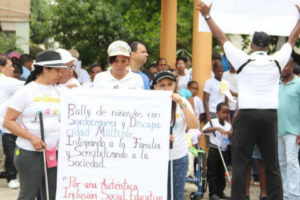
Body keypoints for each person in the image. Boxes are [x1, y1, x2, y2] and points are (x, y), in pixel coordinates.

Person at [197, 1, 300, 199]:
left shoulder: (242, 59)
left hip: (246, 116)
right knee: (272, 164)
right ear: (268, 47)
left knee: (241, 163)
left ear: (252, 46)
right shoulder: (277, 60)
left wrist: (208, 16)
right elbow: (292, 40)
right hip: (269, 116)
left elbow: (221, 38)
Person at [3, 50, 67, 200]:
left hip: (54, 153)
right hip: (29, 153)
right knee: (28, 195)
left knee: (51, 196)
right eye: (57, 70)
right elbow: (8, 121)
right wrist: (32, 138)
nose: (61, 73)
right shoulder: (25, 92)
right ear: (45, 68)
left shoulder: (59, 92)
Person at [151, 70, 198, 200]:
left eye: (169, 84)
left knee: (176, 195)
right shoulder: (149, 103)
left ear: (175, 86)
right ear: (155, 87)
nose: (166, 88)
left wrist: (182, 104)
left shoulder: (182, 101)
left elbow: (194, 125)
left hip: (177, 156)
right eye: (162, 85)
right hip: (155, 156)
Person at [0, 56, 24, 189]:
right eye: (10, 66)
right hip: (8, 126)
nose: (13, 68)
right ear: (1, 68)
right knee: (10, 153)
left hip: (8, 125)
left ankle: (12, 176)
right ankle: (11, 177)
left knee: (12, 152)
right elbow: (28, 84)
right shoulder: (5, 81)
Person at [278, 57, 300, 200]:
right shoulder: (277, 83)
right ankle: (285, 194)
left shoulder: (298, 84)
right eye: (282, 66)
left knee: (292, 162)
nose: (283, 69)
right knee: (281, 163)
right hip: (278, 130)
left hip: (293, 130)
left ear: (292, 67)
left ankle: (294, 195)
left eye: (286, 66)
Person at [202, 102, 231, 200]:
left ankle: (220, 192)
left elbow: (230, 138)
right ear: (217, 112)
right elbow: (204, 130)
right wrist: (216, 128)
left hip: (224, 150)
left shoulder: (228, 125)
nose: (226, 114)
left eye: (227, 112)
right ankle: (212, 193)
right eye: (223, 112)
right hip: (214, 150)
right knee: (213, 173)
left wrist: (230, 134)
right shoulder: (212, 122)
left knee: (221, 173)